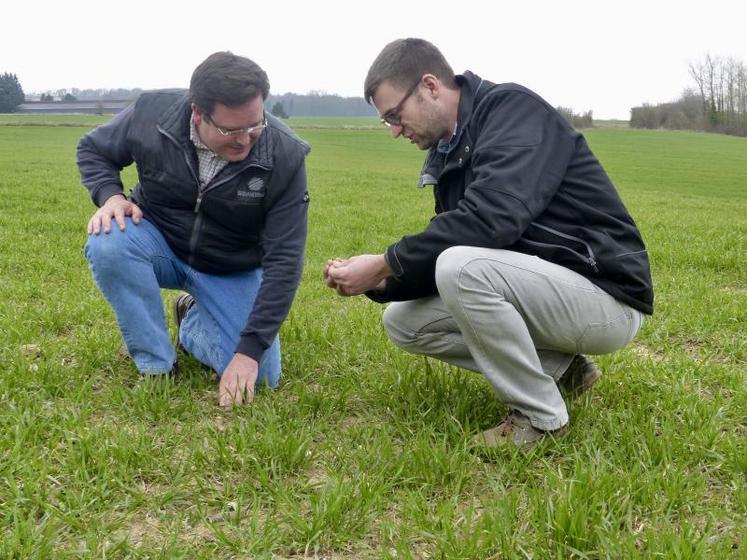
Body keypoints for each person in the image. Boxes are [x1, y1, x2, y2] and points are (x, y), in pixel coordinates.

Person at [324, 38, 653, 448]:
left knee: (461, 267)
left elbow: (491, 221)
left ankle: (541, 418)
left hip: (606, 295)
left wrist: (385, 261)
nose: (393, 131)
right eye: (385, 121)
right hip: (550, 293)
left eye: (395, 114)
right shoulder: (451, 151)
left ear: (429, 86)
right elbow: (450, 243)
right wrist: (382, 283)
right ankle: (561, 370)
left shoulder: (513, 112)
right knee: (403, 322)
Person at [78, 51, 310, 407]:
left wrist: (249, 352)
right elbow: (93, 149)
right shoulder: (151, 115)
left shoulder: (284, 154)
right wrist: (110, 197)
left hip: (231, 265)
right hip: (160, 241)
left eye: (255, 124)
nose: (246, 139)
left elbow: (285, 259)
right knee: (109, 241)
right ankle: (156, 365)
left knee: (262, 378)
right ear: (197, 112)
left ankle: (191, 322)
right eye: (232, 130)